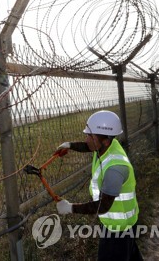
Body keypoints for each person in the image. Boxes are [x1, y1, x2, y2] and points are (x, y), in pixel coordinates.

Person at [54, 110, 143, 261]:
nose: (86, 139)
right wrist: (69, 145)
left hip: (118, 230)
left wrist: (70, 208)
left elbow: (103, 206)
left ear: (105, 140)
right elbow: (88, 146)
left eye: (90, 136)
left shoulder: (115, 169)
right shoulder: (106, 146)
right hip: (123, 224)